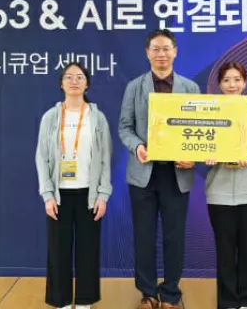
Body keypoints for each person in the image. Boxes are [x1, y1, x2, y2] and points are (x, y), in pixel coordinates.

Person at [118, 29, 201, 309]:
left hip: (177, 174)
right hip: (144, 173)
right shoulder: (135, 87)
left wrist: (193, 156)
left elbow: (200, 129)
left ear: (175, 51)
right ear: (147, 53)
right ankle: (148, 293)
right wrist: (137, 147)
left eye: (166, 48)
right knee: (144, 235)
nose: (161, 54)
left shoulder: (190, 88)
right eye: (156, 49)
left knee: (174, 237)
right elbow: (125, 128)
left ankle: (171, 293)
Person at [35, 62, 113, 309]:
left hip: (89, 194)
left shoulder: (97, 118)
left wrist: (103, 195)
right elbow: (41, 157)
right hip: (59, 195)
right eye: (68, 77)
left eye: (79, 77)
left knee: (88, 249)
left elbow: (105, 158)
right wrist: (47, 194)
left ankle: (84, 301)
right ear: (61, 84)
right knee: (58, 250)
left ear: (87, 84)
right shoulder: (50, 117)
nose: (74, 81)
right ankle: (61, 300)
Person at [204, 62, 247, 309]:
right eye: (227, 80)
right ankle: (228, 303)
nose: (232, 85)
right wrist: (206, 155)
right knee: (225, 253)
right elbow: (197, 144)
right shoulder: (210, 111)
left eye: (237, 79)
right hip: (218, 193)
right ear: (219, 84)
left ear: (245, 82)